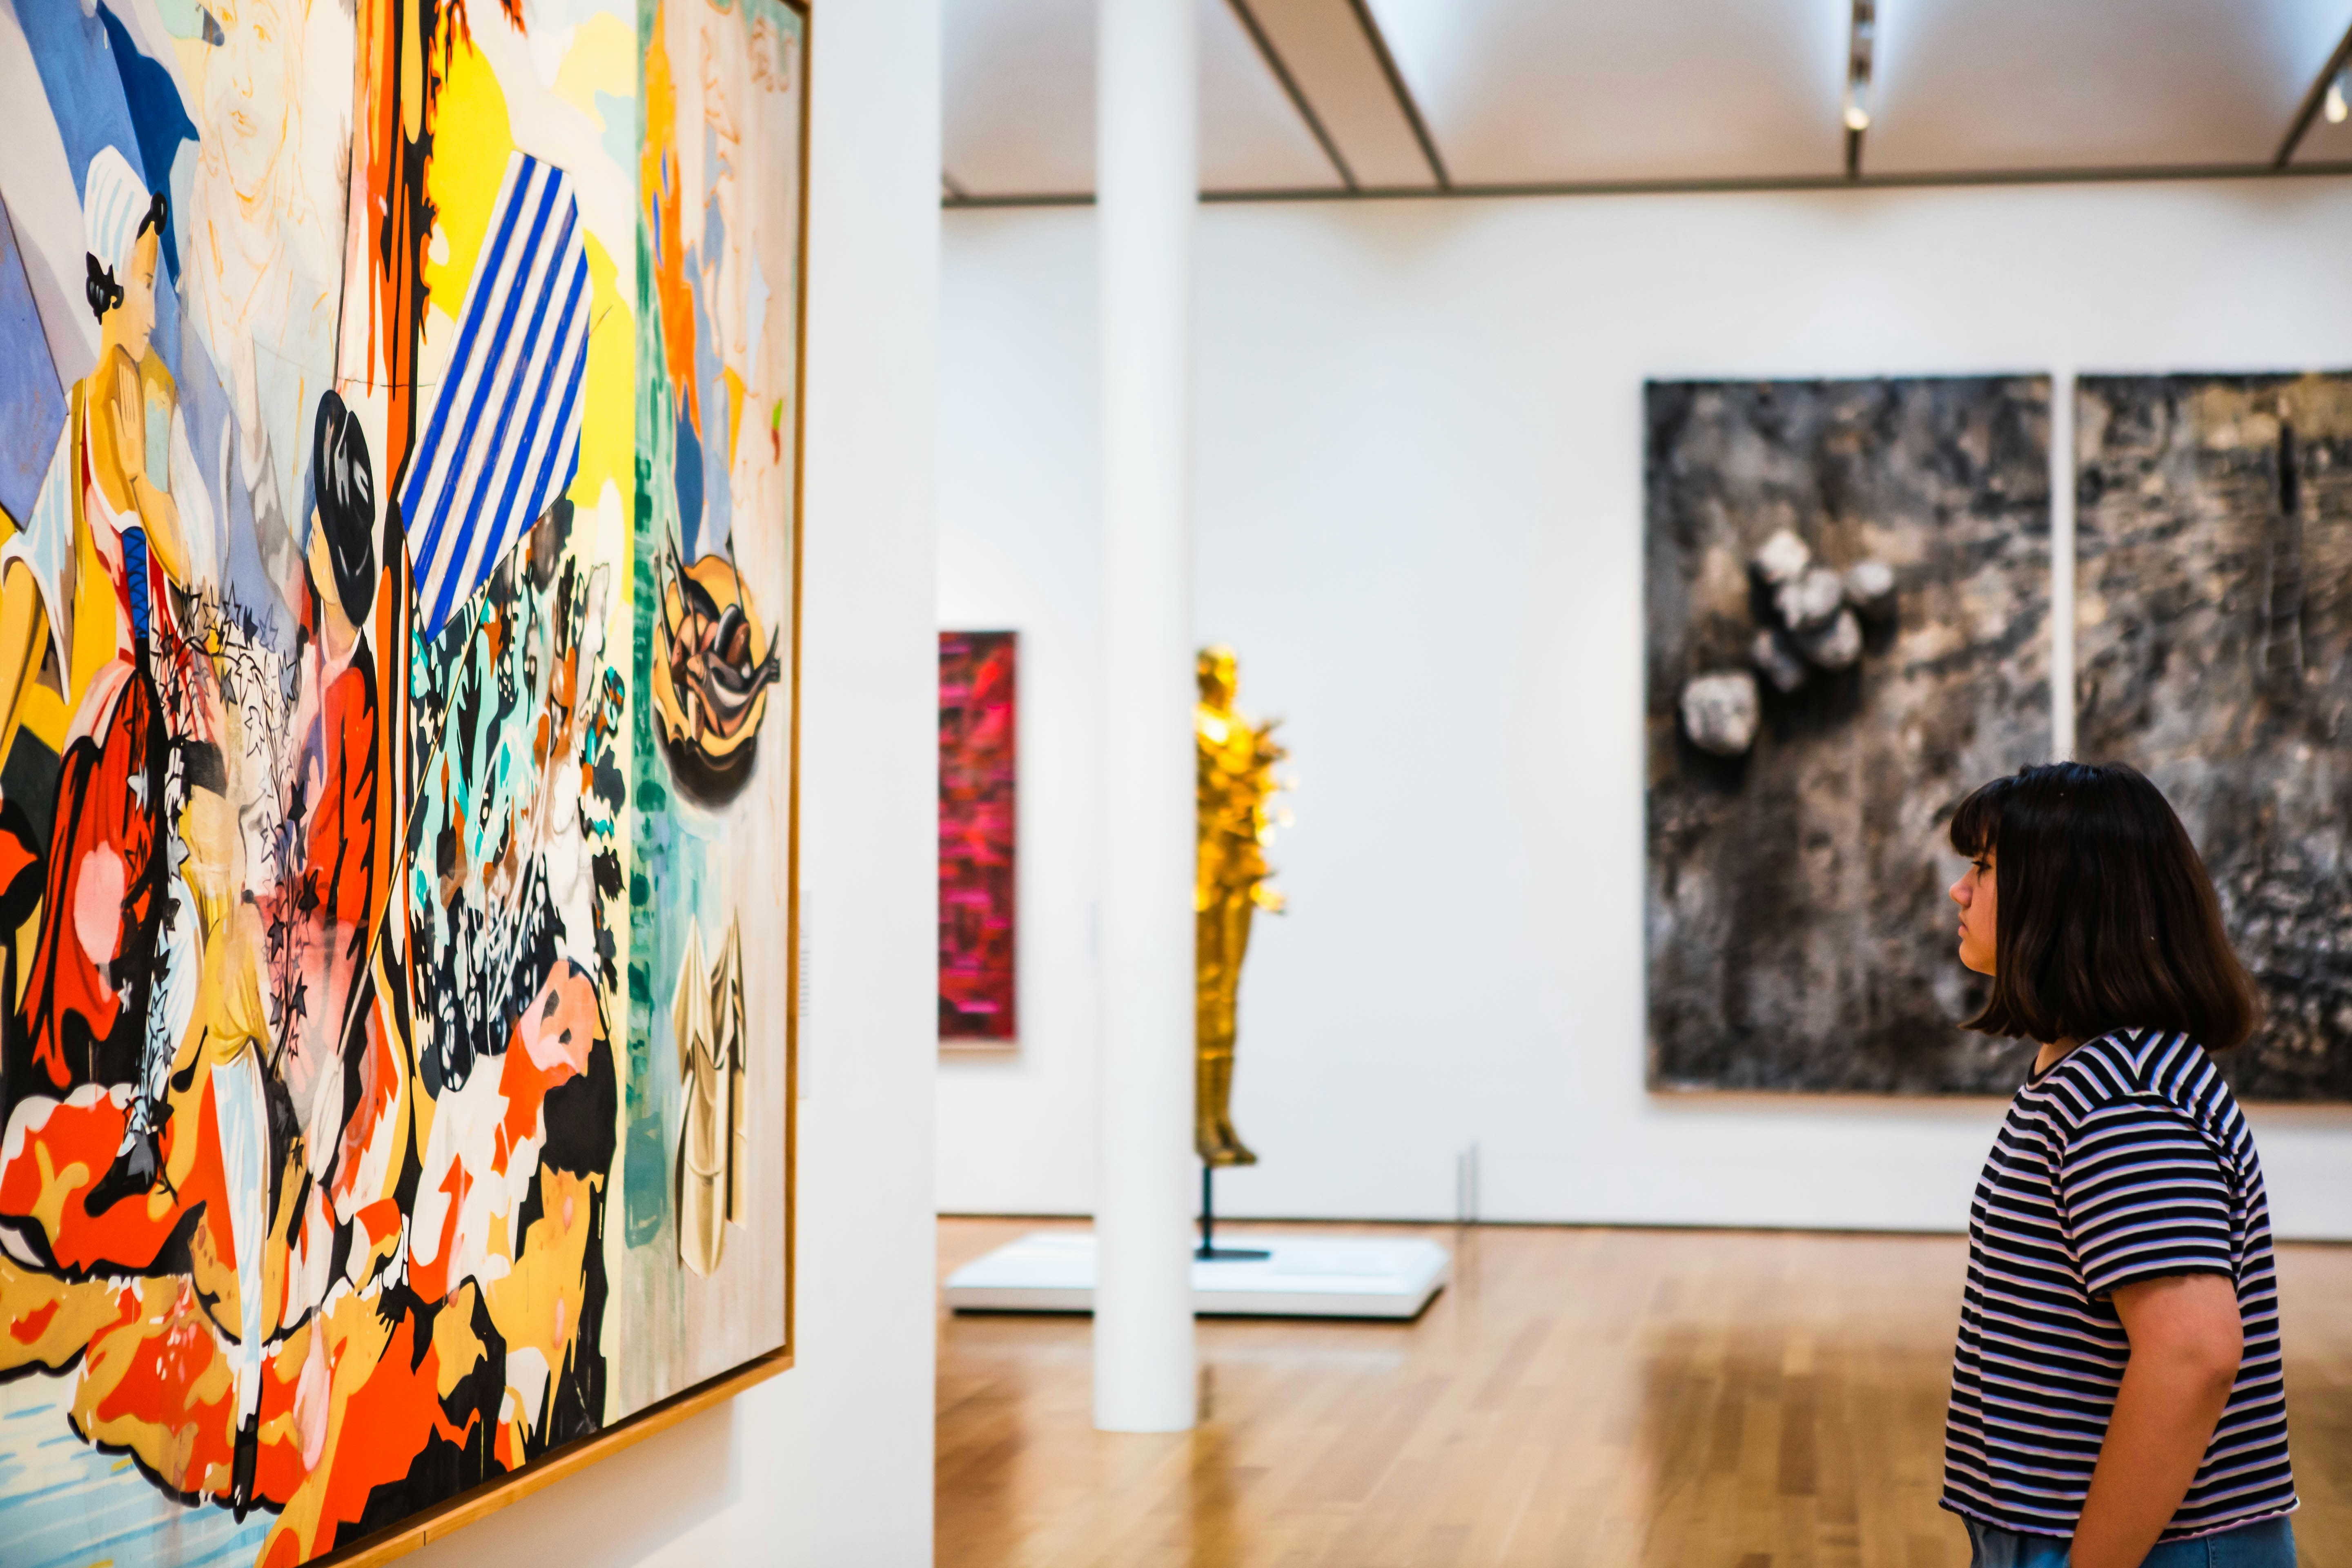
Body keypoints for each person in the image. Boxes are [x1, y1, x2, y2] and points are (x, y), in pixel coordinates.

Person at [1940, 762, 2296, 1568]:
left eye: (1986, 869)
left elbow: (2193, 1353)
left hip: (2149, 1545)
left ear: (2066, 899)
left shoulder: (2124, 1101)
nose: (1960, 892)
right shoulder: (2091, 1075)